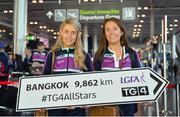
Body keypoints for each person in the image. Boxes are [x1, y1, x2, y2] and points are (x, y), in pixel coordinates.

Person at [90, 18, 141, 116]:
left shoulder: (131, 54)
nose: (111, 32)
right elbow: (94, 83)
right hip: (105, 106)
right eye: (107, 30)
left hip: (128, 106)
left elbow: (140, 79)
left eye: (115, 28)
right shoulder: (99, 55)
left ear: (121, 32)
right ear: (104, 34)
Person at [43, 18, 92, 116]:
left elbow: (92, 84)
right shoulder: (52, 55)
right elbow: (43, 83)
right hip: (55, 109)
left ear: (78, 35)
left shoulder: (85, 56)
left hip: (77, 111)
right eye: (66, 31)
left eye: (73, 32)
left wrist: (85, 102)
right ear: (61, 32)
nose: (69, 36)